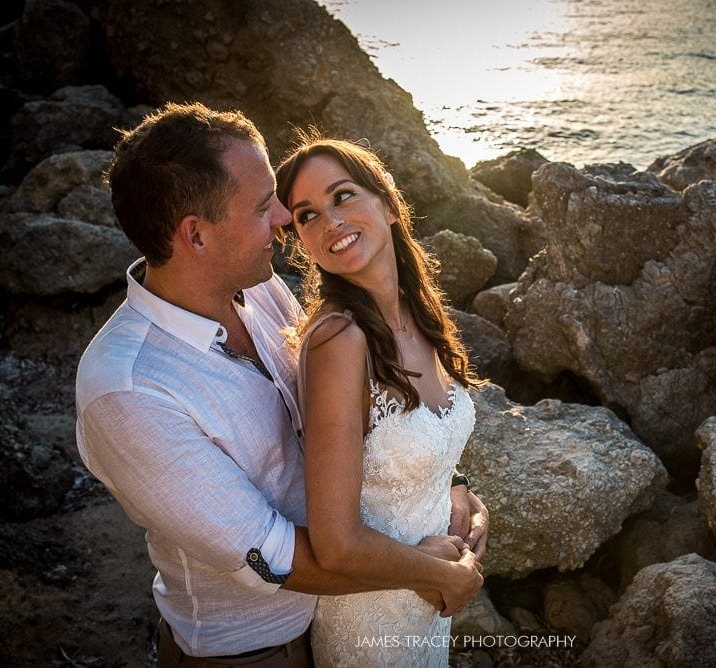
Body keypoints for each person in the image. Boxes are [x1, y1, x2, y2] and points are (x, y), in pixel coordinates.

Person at [75, 102, 486, 667]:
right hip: (257, 651)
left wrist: (447, 483)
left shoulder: (260, 288)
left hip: (350, 607)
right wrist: (435, 573)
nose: (283, 219)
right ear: (195, 235)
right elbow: (273, 556)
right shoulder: (129, 391)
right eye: (262, 204)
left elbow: (361, 421)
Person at [274, 134, 484, 667]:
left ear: (389, 203)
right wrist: (447, 577)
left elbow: (420, 448)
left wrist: (461, 494)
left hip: (425, 607)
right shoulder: (338, 342)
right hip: (371, 621)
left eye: (342, 196)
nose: (331, 222)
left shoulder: (422, 316)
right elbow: (336, 543)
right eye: (307, 216)